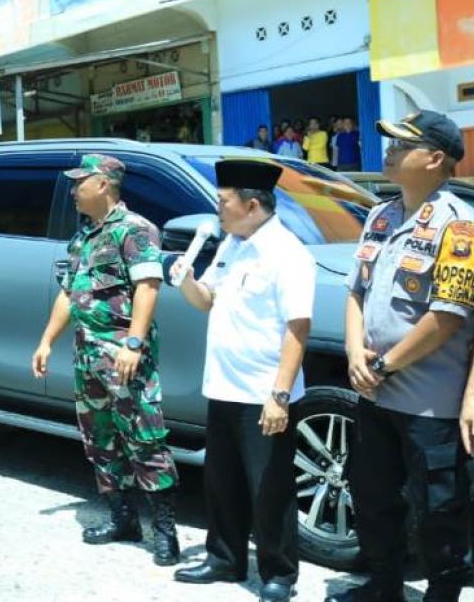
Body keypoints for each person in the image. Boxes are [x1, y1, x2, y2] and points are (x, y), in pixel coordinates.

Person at [325, 110, 473, 602]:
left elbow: (446, 318)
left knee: (439, 510)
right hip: (375, 396)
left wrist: (383, 365)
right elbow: (356, 294)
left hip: (432, 402)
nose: (388, 150)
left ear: (435, 158)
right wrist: (353, 352)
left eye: (401, 144)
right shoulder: (379, 215)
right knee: (372, 498)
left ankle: (441, 595)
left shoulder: (460, 225)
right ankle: (383, 587)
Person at [170, 159, 314, 602]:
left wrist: (280, 394)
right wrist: (187, 281)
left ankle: (279, 573)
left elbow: (298, 328)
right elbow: (208, 301)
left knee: (269, 487)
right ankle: (225, 558)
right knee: (223, 479)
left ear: (252, 205)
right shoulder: (233, 243)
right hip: (224, 386)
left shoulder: (286, 253)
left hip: (262, 392)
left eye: (223, 201)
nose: (218, 209)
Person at [31, 154, 180, 566]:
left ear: (104, 184)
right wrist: (46, 341)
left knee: (145, 440)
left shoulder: (134, 230)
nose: (73, 189)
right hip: (87, 357)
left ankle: (165, 531)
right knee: (100, 440)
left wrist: (133, 344)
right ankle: (122, 518)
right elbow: (68, 294)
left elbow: (148, 286)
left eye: (80, 182)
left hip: (124, 358)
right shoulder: (82, 237)